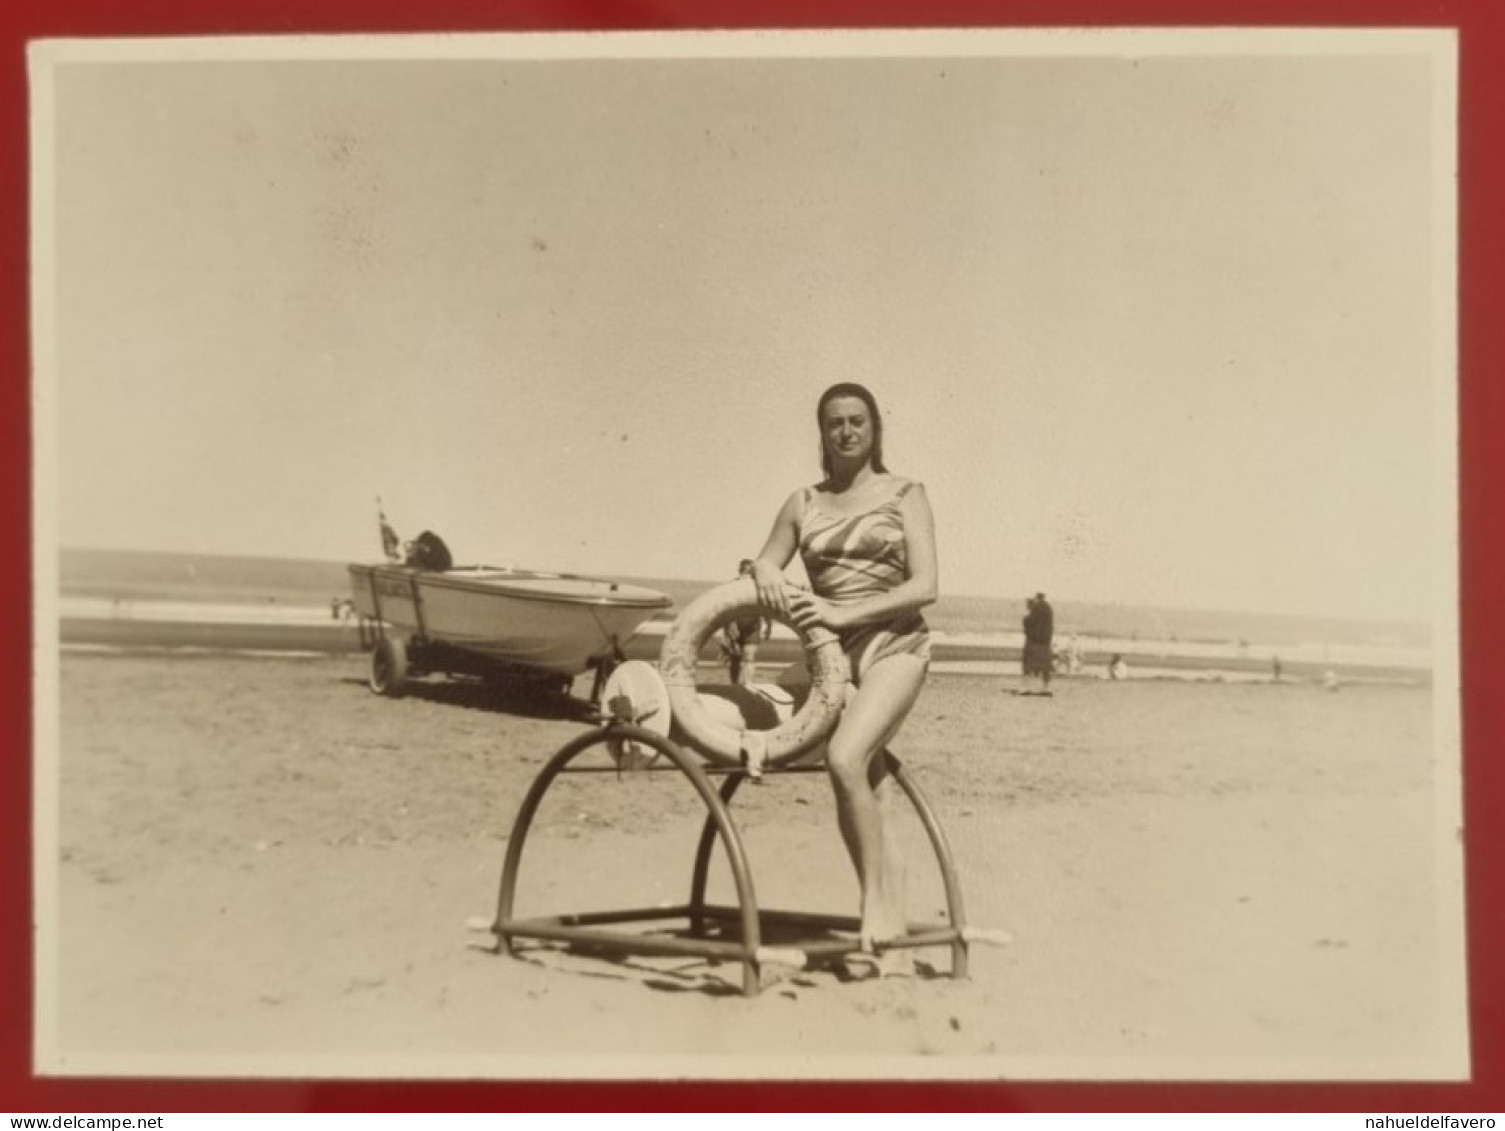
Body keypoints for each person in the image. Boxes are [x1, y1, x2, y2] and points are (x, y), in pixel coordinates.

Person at [748, 382, 938, 972]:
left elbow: (926, 585)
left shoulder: (906, 493)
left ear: (875, 429)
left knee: (844, 758)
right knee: (873, 788)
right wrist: (761, 571)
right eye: (835, 424)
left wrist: (840, 612)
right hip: (831, 660)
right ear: (823, 433)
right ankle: (893, 942)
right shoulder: (802, 502)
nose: (847, 431)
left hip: (894, 648)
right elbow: (764, 562)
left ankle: (873, 909)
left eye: (858, 421)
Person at [719, 559, 771, 687]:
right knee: (735, 659)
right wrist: (729, 627)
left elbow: (766, 606)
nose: (748, 575)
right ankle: (734, 685)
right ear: (740, 572)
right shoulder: (732, 586)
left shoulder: (759, 586)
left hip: (752, 627)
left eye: (751, 573)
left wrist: (768, 626)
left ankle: (747, 685)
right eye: (746, 572)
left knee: (749, 657)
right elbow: (724, 607)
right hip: (734, 626)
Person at [1021, 592, 1055, 694]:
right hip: (1045, 642)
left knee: (1028, 665)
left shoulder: (1036, 608)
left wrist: (1025, 620)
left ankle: (1026, 687)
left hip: (1033, 642)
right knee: (1045, 666)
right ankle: (1046, 687)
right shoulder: (1048, 608)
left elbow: (1029, 623)